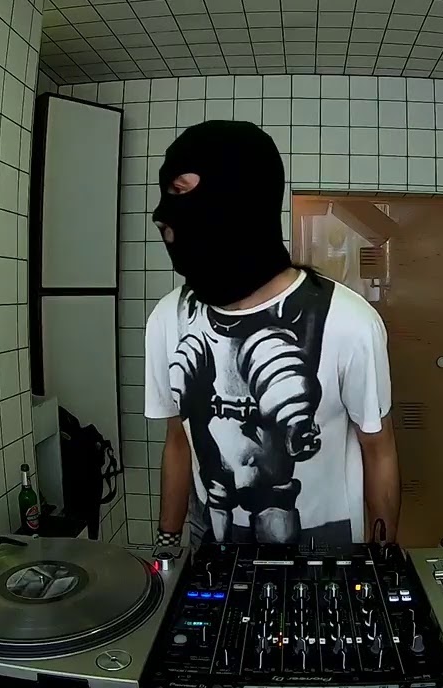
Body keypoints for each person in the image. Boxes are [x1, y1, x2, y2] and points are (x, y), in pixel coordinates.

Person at [144, 120, 400, 548]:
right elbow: (178, 440)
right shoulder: (168, 319)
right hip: (212, 558)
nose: (161, 218)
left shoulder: (349, 322)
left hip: (325, 560)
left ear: (235, 198)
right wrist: (168, 545)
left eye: (181, 192)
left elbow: (380, 449)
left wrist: (383, 563)